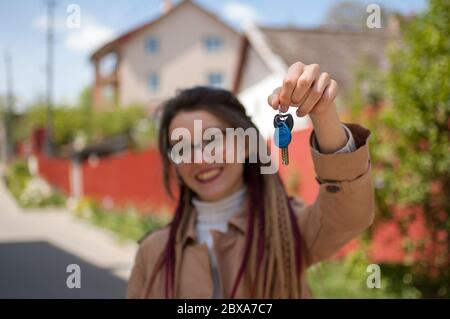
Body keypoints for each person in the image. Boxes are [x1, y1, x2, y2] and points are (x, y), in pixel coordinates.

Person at [127, 61, 374, 298]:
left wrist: (323, 114)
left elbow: (349, 215)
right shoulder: (153, 253)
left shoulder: (289, 226)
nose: (201, 158)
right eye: (182, 147)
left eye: (212, 140)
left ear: (246, 144)